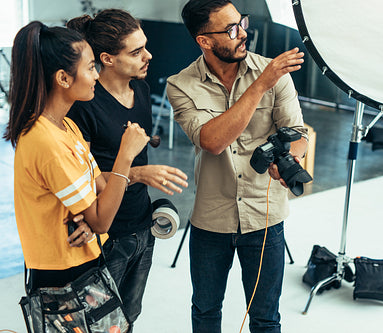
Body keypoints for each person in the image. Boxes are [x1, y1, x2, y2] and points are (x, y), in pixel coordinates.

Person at [167, 1, 308, 332]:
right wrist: (261, 85)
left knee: (265, 317)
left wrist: (293, 157)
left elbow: (299, 135)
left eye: (242, 22)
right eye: (231, 29)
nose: (243, 33)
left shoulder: (276, 75)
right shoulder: (181, 85)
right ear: (204, 40)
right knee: (205, 310)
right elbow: (212, 140)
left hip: (265, 217)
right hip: (211, 219)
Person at [66, 9, 188, 329]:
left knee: (128, 319)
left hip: (141, 226)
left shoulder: (142, 91)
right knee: (95, 324)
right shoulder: (83, 106)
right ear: (107, 58)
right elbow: (78, 179)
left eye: (145, 46)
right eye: (136, 52)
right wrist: (136, 173)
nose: (148, 56)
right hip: (103, 235)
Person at [3, 21, 149, 290]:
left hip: (85, 258)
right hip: (60, 271)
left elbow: (101, 187)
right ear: (63, 78)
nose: (96, 76)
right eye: (91, 67)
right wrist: (125, 156)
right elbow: (102, 220)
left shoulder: (66, 126)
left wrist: (90, 214)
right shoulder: (45, 141)